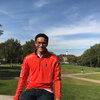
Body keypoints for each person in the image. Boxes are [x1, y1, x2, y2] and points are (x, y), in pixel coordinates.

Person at [14, 33, 61, 100]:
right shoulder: (27, 58)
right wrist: (17, 95)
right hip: (30, 89)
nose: (41, 45)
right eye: (38, 43)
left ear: (47, 44)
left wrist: (58, 97)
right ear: (35, 43)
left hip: (46, 90)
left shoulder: (54, 59)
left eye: (43, 43)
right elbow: (23, 78)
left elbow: (57, 79)